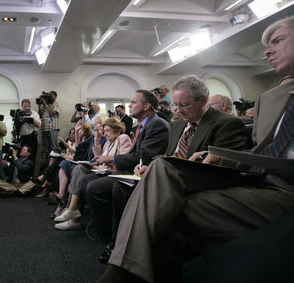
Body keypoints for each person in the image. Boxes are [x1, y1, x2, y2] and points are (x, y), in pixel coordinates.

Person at [97, 16, 294, 283]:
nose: (267, 50)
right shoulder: (269, 98)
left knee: (166, 210)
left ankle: (119, 272)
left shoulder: (228, 122)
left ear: (203, 100)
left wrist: (221, 157)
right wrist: (220, 156)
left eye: (278, 41)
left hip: (282, 188)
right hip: (263, 182)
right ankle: (124, 270)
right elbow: (260, 154)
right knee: (163, 174)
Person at [96, 75, 248, 265]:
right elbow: (165, 156)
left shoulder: (226, 123)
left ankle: (135, 253)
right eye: (176, 105)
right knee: (120, 187)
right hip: (164, 177)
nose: (179, 111)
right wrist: (146, 166)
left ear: (203, 100)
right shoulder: (177, 125)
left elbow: (228, 169)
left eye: (184, 105)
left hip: (191, 182)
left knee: (125, 189)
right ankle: (123, 244)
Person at [84, 90, 170, 254]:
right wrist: (115, 162)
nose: (129, 105)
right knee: (87, 181)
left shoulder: (157, 124)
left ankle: (111, 240)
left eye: (133, 102)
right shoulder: (143, 125)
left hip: (144, 173)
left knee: (94, 188)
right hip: (132, 170)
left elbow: (145, 156)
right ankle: (109, 234)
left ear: (146, 106)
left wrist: (113, 159)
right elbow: (133, 154)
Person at [54, 117, 132, 231]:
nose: (105, 133)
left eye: (108, 130)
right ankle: (72, 211)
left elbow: (124, 160)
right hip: (103, 170)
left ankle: (72, 213)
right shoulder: (108, 143)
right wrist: (96, 141)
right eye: (104, 130)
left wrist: (107, 163)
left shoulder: (123, 138)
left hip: (115, 172)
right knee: (79, 169)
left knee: (83, 177)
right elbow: (99, 156)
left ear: (118, 131)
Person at [38, 91, 61, 160]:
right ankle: (48, 165)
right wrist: (39, 106)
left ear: (55, 96)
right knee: (46, 149)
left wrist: (45, 105)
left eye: (51, 95)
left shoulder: (57, 105)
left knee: (54, 148)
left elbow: (52, 113)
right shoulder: (44, 105)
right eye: (49, 95)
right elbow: (40, 115)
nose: (50, 96)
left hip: (53, 129)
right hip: (44, 129)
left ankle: (54, 166)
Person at [19, 99, 41, 164]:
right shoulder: (19, 114)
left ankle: (31, 174)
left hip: (32, 137)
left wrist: (31, 119)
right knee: (21, 158)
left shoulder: (34, 114)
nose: (26, 108)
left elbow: (39, 125)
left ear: (30, 106)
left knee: (32, 157)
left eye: (28, 106)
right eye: (24, 106)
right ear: (22, 106)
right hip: (22, 138)